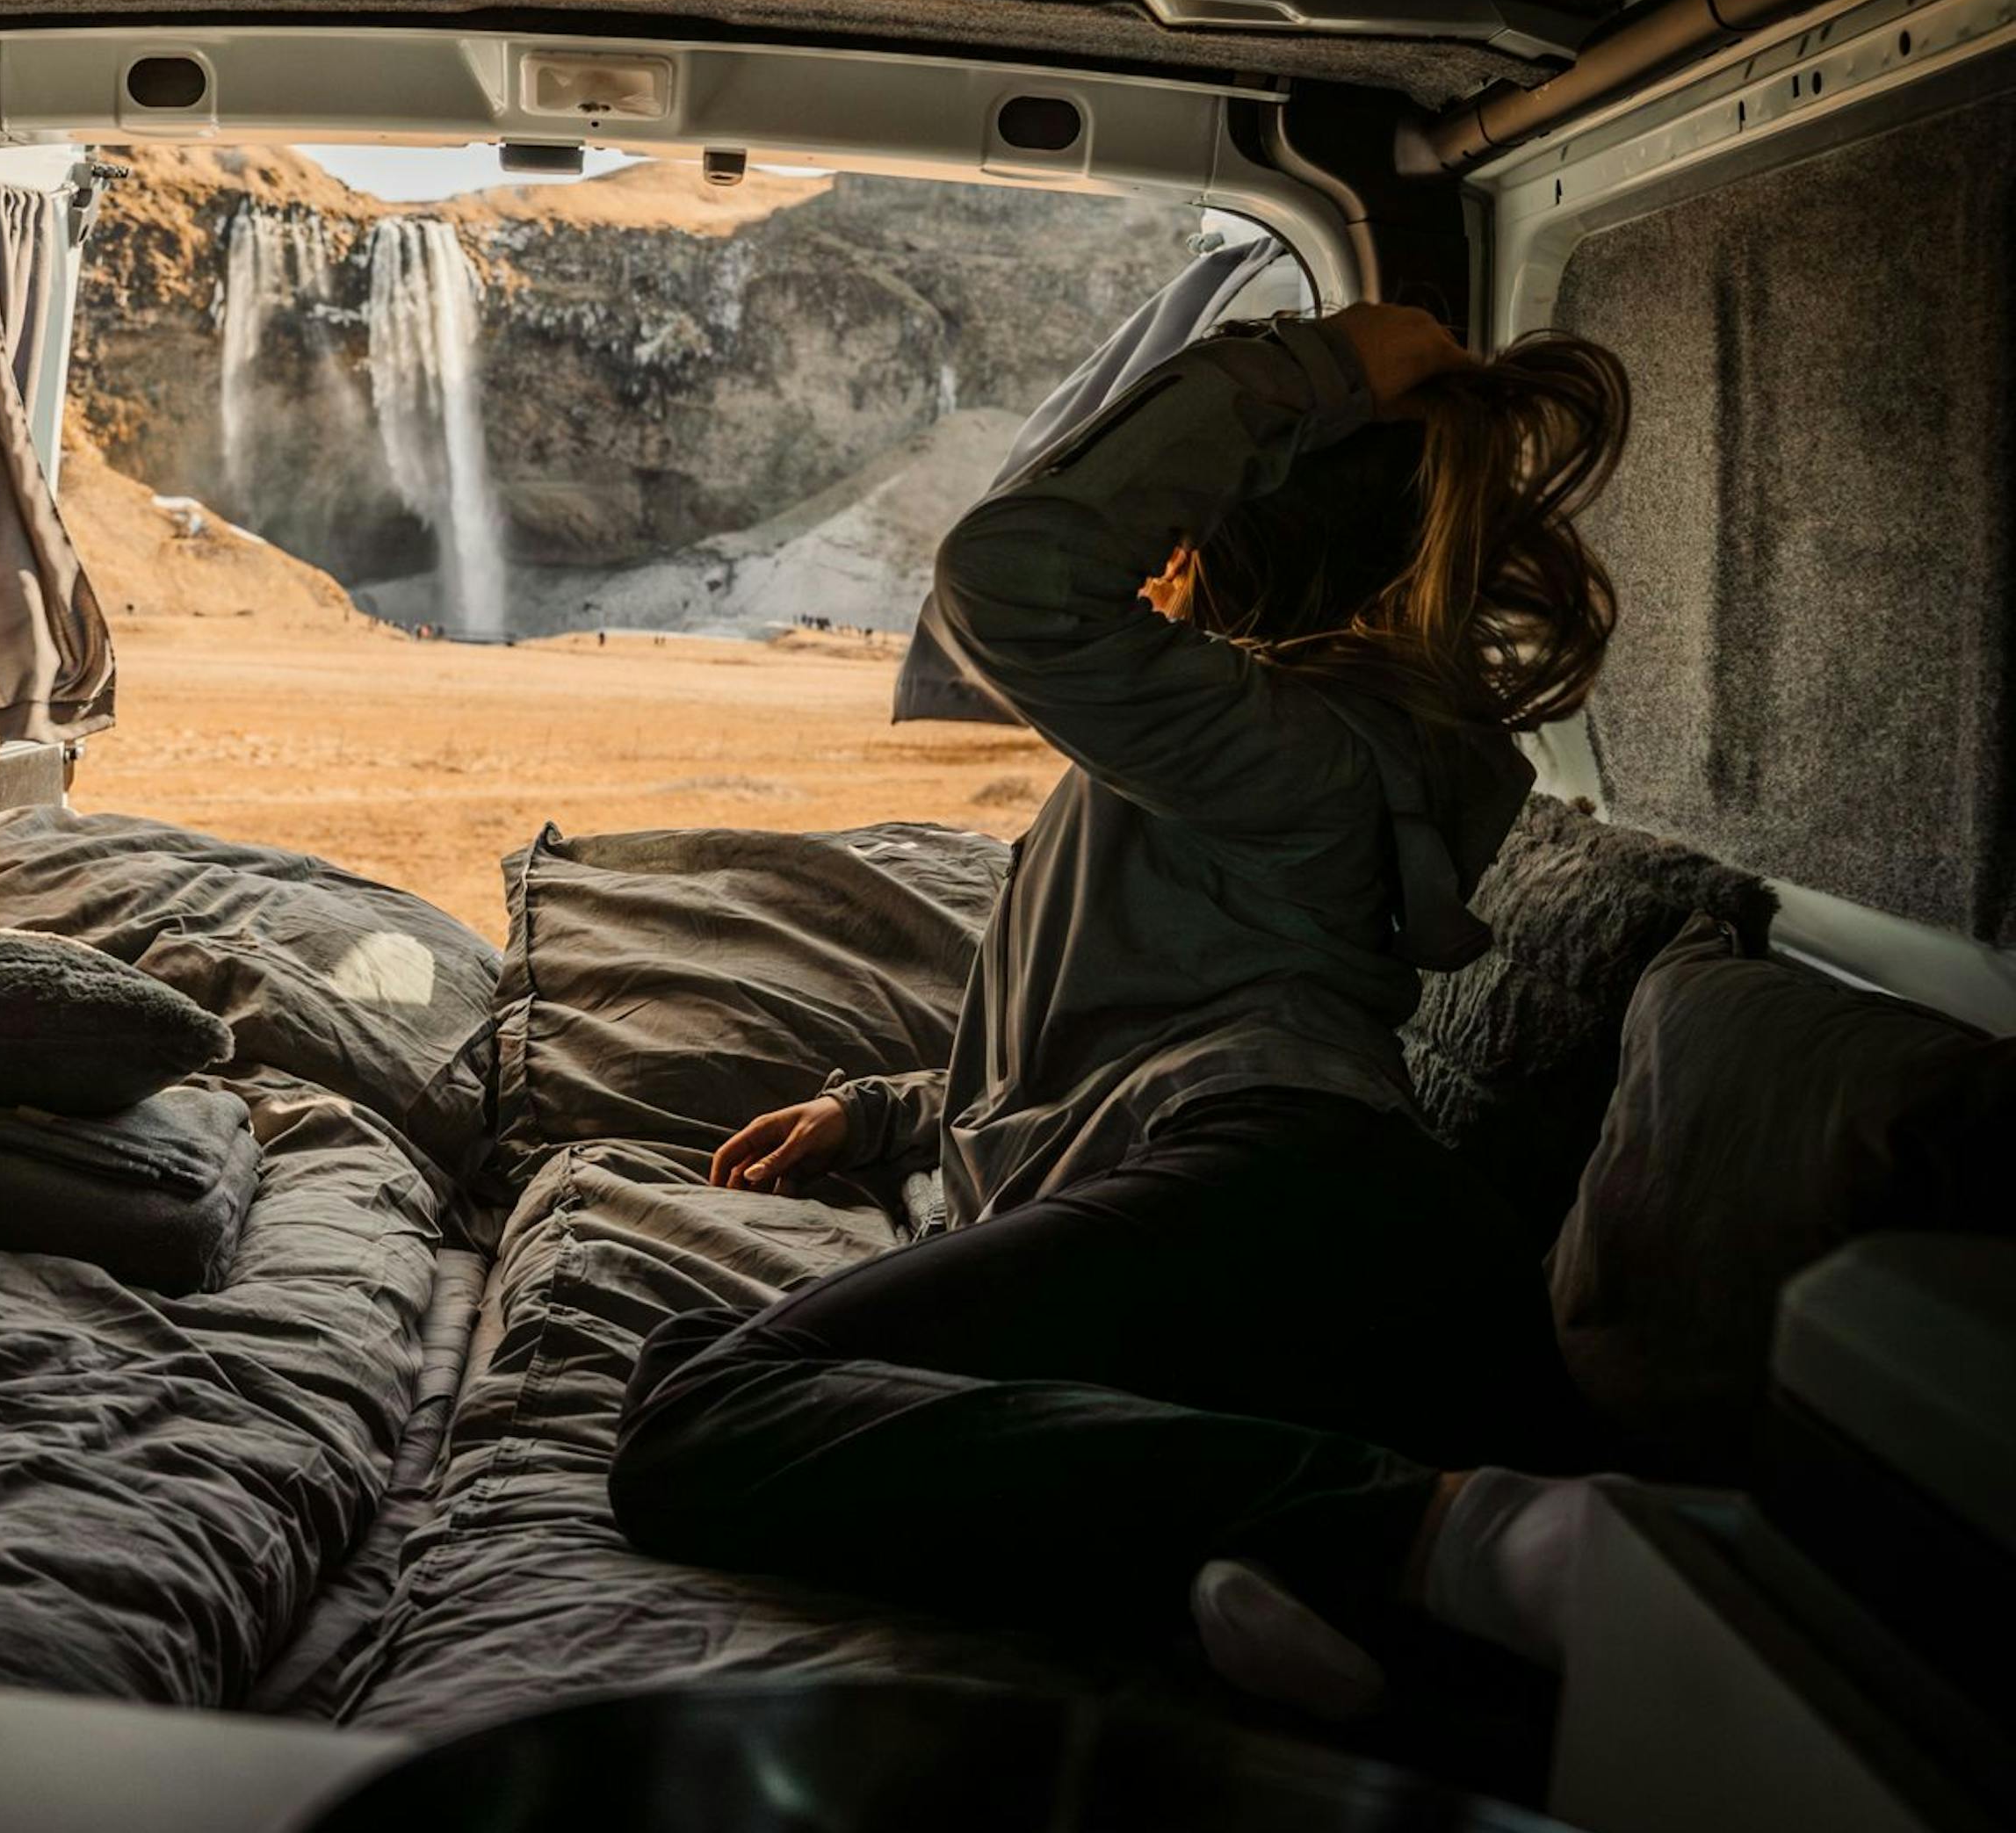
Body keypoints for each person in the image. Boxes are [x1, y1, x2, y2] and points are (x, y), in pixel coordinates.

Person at [607, 304, 1634, 1722]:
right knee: (715, 1372)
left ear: (1256, 545)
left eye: (1200, 517)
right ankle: (1333, 1585)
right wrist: (886, 1111)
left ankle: (1431, 1535)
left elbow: (1009, 575)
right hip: (1315, 1200)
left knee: (700, 1411)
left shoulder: (1289, 753)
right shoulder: (1305, 744)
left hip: (1272, 1183)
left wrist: (1311, 366)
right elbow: (1134, 1010)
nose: (1164, 546)